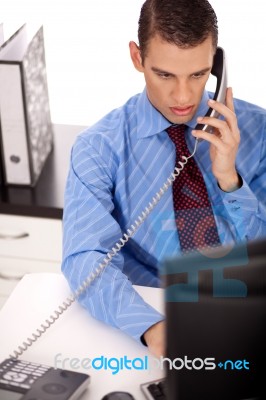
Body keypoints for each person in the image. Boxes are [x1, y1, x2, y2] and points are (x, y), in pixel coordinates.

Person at [62, 0, 266, 358]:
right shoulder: (99, 147)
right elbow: (84, 257)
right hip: (156, 317)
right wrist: (152, 329)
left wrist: (229, 180)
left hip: (250, 315)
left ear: (217, 64)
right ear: (137, 58)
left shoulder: (258, 130)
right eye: (165, 74)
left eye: (199, 74)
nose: (184, 96)